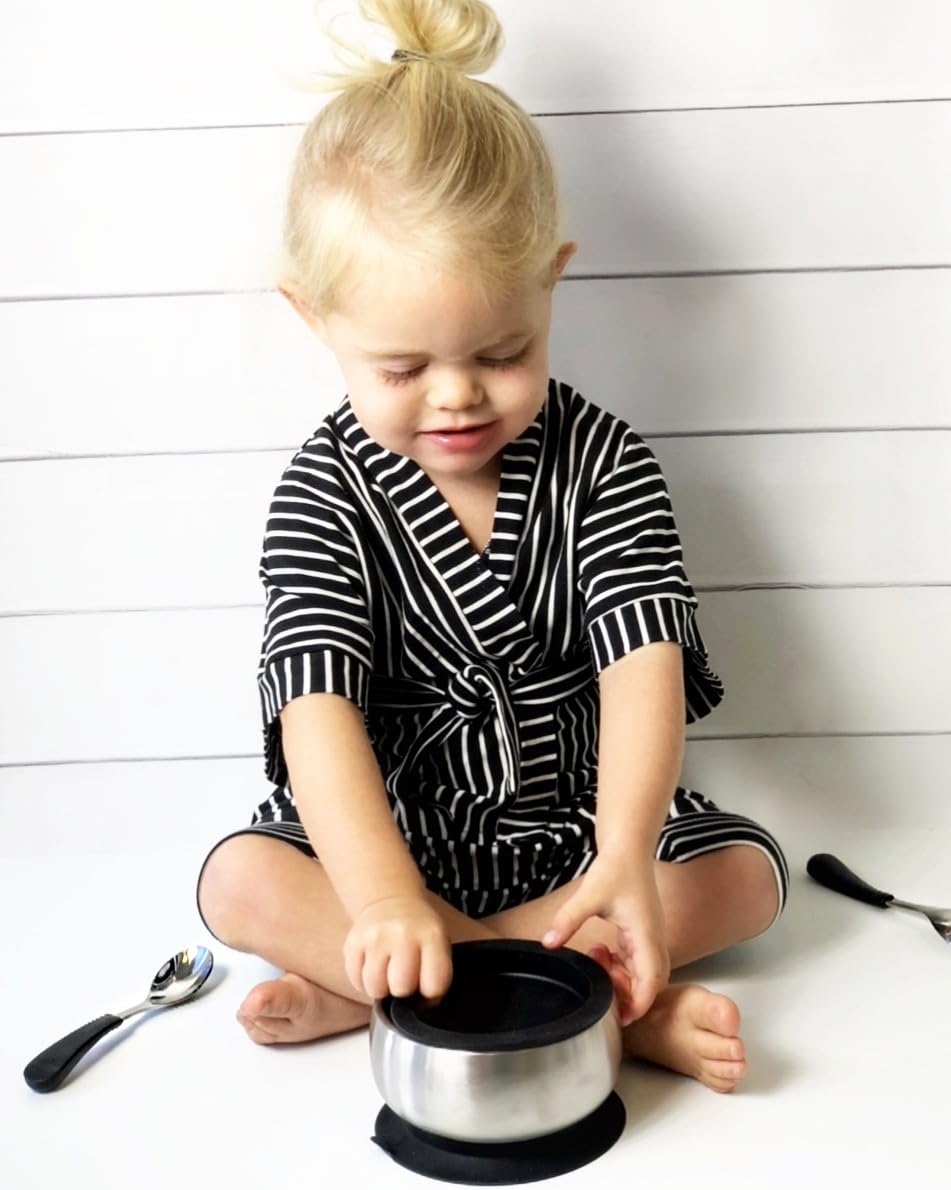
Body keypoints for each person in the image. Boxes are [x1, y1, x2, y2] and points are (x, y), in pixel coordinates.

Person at [196, 0, 788, 1094]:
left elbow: (643, 667)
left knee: (744, 875)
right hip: (388, 835)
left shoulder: (605, 460)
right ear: (314, 318)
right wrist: (382, 897)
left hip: (577, 835)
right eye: (402, 369)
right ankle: (589, 1008)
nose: (456, 396)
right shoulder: (321, 491)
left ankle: (404, 992)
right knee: (238, 881)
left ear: (551, 280)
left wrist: (623, 855)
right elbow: (317, 711)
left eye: (502, 352)